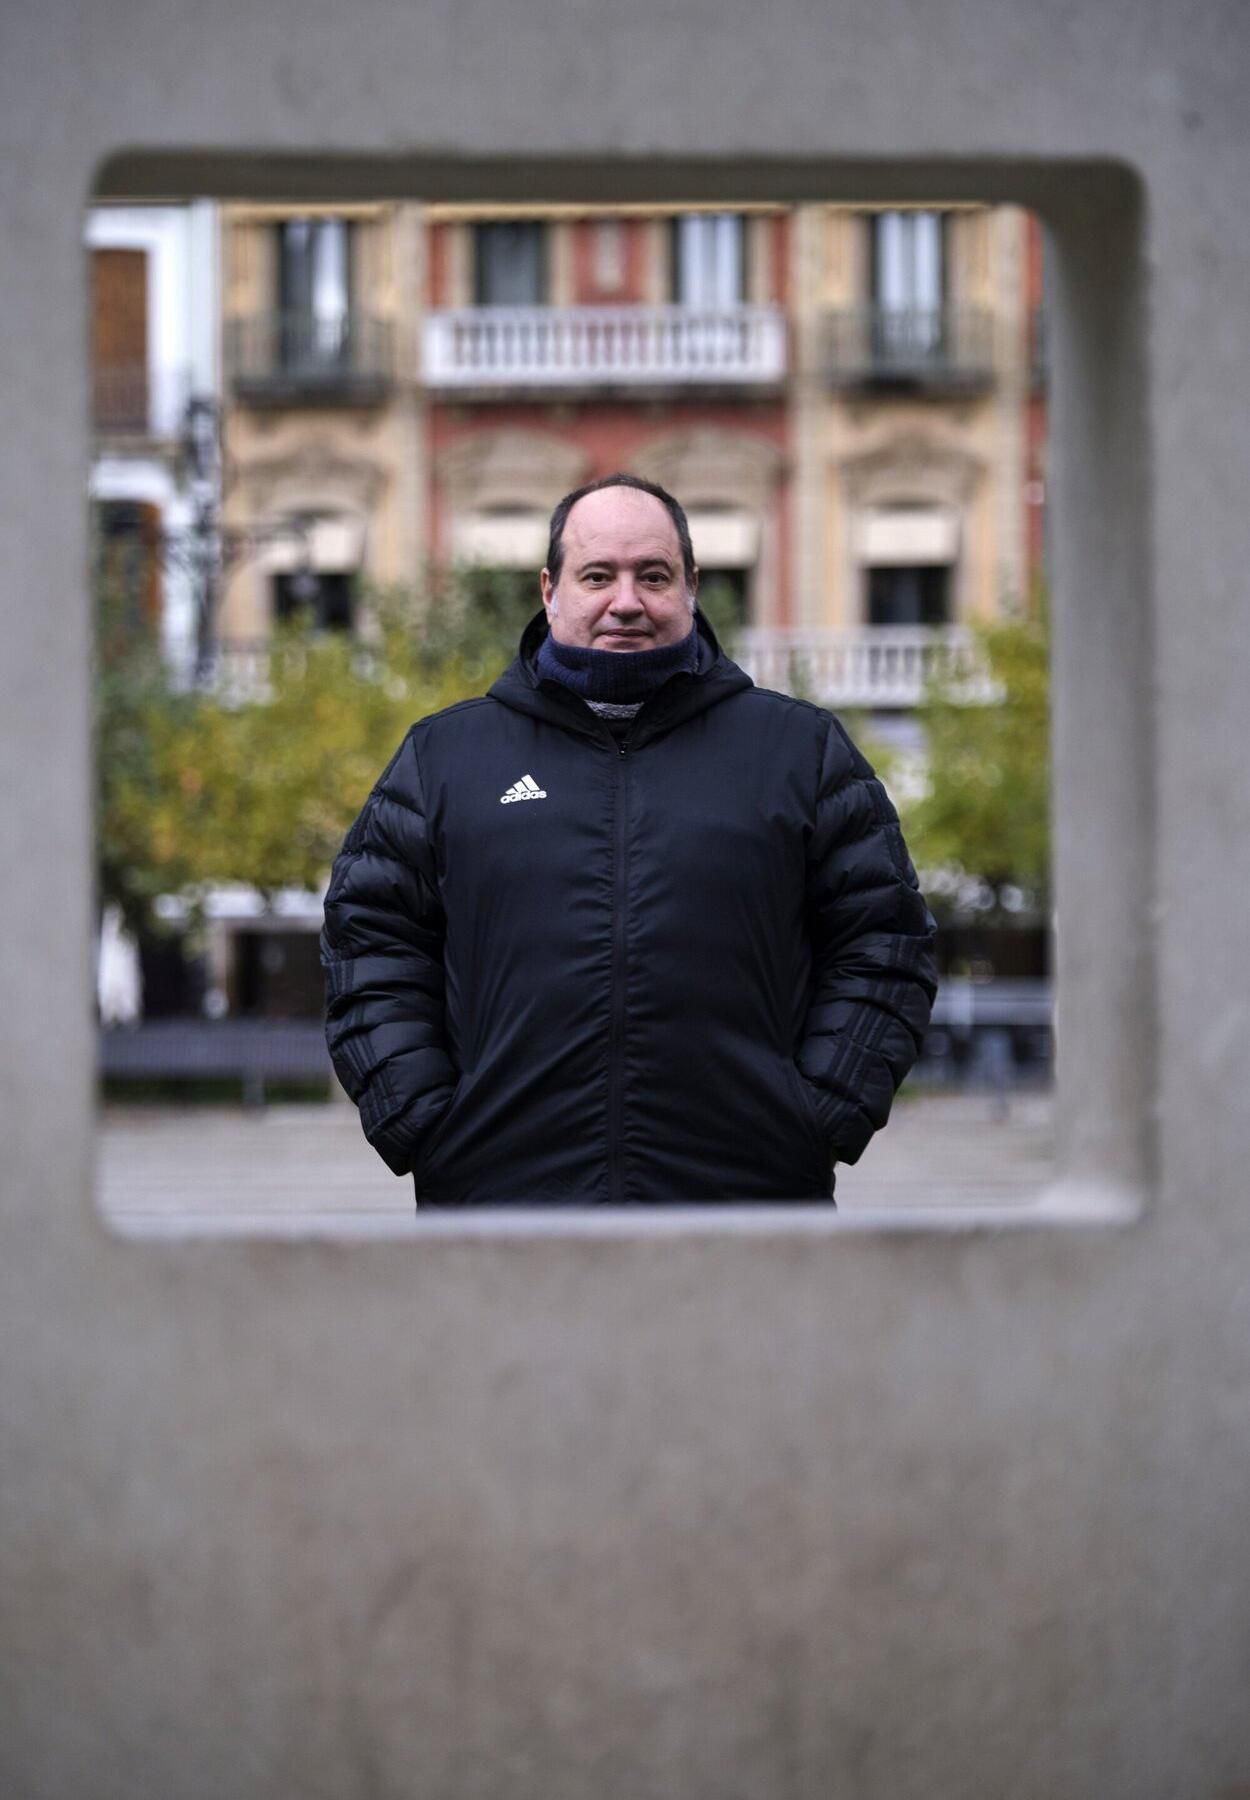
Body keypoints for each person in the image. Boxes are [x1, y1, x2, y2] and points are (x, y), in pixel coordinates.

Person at [321, 473, 937, 1205]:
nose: (626, 601)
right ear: (550, 590)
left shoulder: (799, 751)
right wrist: (427, 1126)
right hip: (501, 1215)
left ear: (692, 586)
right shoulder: (446, 758)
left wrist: (818, 1117)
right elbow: (369, 941)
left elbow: (885, 940)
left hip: (750, 1212)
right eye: (597, 575)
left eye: (653, 575)